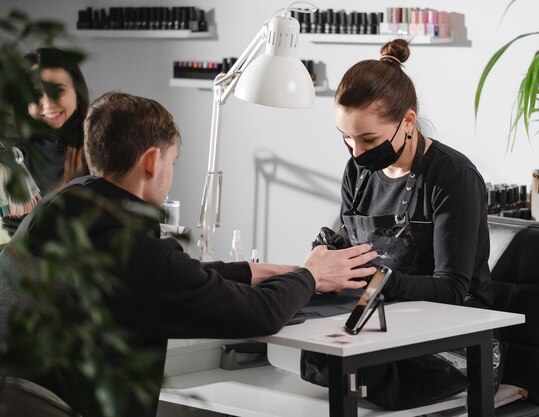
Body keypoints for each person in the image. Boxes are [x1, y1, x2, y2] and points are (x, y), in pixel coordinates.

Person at [0, 92, 378, 417]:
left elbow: (158, 279)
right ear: (152, 161)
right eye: (172, 161)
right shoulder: (134, 252)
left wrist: (244, 271)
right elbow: (256, 315)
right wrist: (310, 274)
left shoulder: (62, 205)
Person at [307, 39, 498, 409]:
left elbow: (454, 290)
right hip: (385, 326)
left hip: (458, 344)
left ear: (407, 121)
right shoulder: (359, 172)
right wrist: (334, 256)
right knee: (315, 359)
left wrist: (384, 282)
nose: (356, 153)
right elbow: (355, 254)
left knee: (359, 376)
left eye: (368, 139)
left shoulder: (452, 178)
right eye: (346, 138)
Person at [1, 47, 90, 235]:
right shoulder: (6, 151)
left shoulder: (99, 146)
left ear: (78, 94)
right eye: (37, 94)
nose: (49, 104)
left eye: (58, 91)